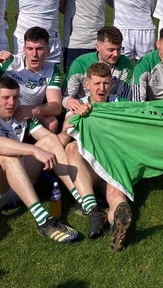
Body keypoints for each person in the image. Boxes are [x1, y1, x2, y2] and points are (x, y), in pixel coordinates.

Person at [0, 76, 81, 243]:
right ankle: (43, 220)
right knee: (7, 156)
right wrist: (34, 150)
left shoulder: (20, 114)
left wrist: (66, 131)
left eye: (15, 97)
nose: (11, 103)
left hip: (19, 184)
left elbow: (53, 144)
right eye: (6, 98)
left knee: (50, 139)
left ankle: (81, 198)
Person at [60, 62, 133, 251]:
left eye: (106, 83)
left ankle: (118, 226)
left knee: (116, 198)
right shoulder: (78, 106)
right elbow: (64, 136)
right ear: (87, 85)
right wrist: (72, 121)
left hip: (113, 166)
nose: (102, 88)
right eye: (97, 83)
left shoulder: (120, 105)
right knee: (72, 148)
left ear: (112, 84)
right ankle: (93, 210)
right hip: (90, 173)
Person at [0, 27, 62, 130]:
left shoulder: (52, 69)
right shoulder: (11, 62)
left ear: (48, 50)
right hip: (4, 112)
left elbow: (56, 106)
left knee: (52, 122)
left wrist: (34, 110)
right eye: (30, 49)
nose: (34, 54)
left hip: (28, 113)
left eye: (39, 49)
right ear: (24, 50)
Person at [63, 26, 133, 109]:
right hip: (84, 109)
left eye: (119, 49)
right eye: (111, 50)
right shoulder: (79, 64)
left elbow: (124, 102)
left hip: (112, 109)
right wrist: (69, 102)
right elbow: (65, 96)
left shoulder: (125, 64)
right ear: (97, 47)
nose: (116, 54)